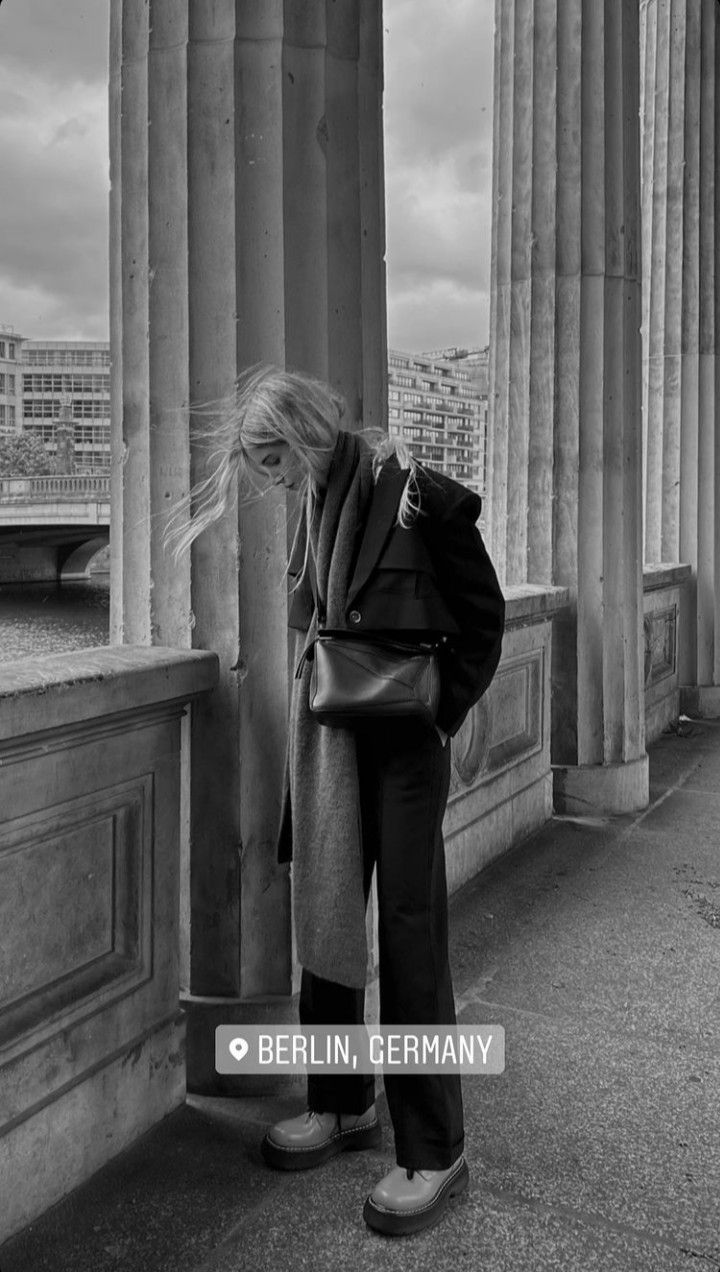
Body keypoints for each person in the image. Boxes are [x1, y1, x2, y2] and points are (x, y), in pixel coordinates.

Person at [169, 364, 505, 1237]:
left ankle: (436, 1148)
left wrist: (441, 712)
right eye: (263, 463)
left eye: (277, 457)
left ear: (310, 433)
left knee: (408, 929)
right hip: (329, 739)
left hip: (404, 747)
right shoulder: (315, 507)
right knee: (323, 913)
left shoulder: (419, 494)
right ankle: (344, 1101)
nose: (272, 478)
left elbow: (484, 614)